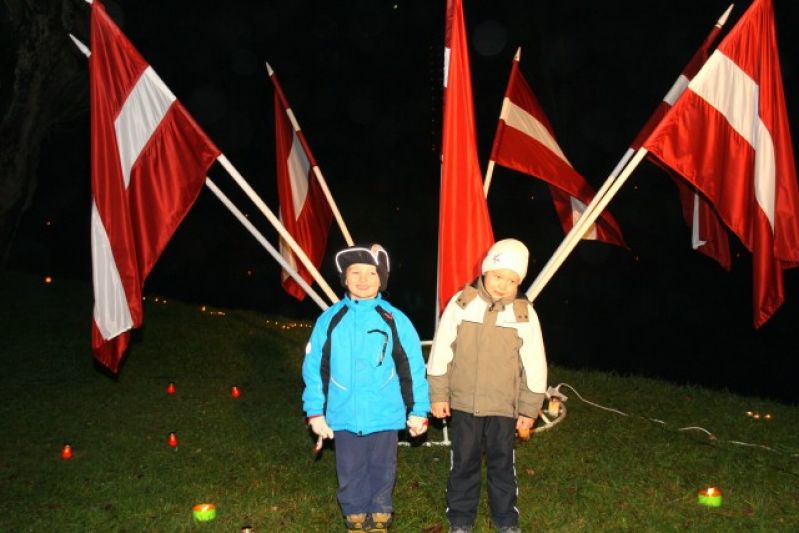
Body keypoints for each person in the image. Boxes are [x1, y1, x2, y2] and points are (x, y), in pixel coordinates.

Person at [302, 244, 431, 532]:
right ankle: (355, 514)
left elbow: (412, 367)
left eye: (371, 273)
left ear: (381, 279)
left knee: (382, 467)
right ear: (345, 279)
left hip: (384, 413)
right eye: (355, 272)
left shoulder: (395, 319)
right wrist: (315, 411)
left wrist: (418, 410)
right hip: (344, 413)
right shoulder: (330, 320)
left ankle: (381, 511)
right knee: (350, 468)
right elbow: (315, 368)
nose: (363, 279)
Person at [427, 238, 548, 533]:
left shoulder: (524, 314)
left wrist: (529, 409)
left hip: (504, 407)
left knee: (502, 463)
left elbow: (535, 363)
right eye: (498, 276)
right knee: (464, 461)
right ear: (485, 271)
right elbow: (441, 351)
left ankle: (506, 519)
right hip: (464, 403)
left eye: (512, 280)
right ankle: (460, 518)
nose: (503, 285)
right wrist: (439, 394)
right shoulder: (461, 304)